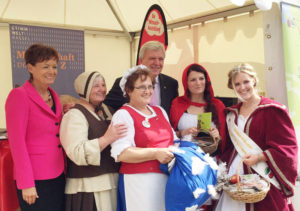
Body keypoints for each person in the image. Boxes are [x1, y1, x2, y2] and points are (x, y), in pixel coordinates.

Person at [216, 63, 298, 211]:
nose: (242, 87)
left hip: (263, 175)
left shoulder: (273, 110)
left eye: (246, 81)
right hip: (236, 177)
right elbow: (227, 147)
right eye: (237, 84)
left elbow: (288, 147)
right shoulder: (230, 113)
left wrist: (260, 157)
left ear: (254, 80)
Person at [5, 43, 65, 211]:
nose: (52, 71)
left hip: (58, 173)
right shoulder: (19, 96)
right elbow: (17, 143)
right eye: (45, 66)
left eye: (54, 66)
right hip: (35, 179)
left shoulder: (54, 96)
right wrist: (26, 183)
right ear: (30, 67)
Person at [110, 65, 177, 211]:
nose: (147, 91)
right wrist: (155, 153)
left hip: (165, 179)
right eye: (141, 87)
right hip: (139, 182)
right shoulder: (123, 115)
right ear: (128, 90)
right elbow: (122, 153)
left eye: (150, 86)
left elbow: (174, 139)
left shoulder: (160, 111)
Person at [59, 71, 127, 211]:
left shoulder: (108, 111)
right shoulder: (74, 115)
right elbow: (77, 152)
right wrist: (107, 138)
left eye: (103, 85)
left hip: (113, 182)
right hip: (88, 189)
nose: (102, 89)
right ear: (84, 89)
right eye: (96, 86)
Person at [104, 41, 178, 115]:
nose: (157, 63)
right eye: (152, 58)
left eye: (160, 59)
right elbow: (106, 107)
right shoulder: (125, 82)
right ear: (141, 60)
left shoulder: (171, 84)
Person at [169, 63, 226, 153]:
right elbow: (168, 134)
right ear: (186, 82)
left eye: (201, 78)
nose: (198, 83)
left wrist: (217, 136)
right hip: (184, 157)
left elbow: (225, 138)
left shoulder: (217, 105)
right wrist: (184, 132)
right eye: (193, 80)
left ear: (206, 80)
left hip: (210, 158)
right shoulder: (177, 104)